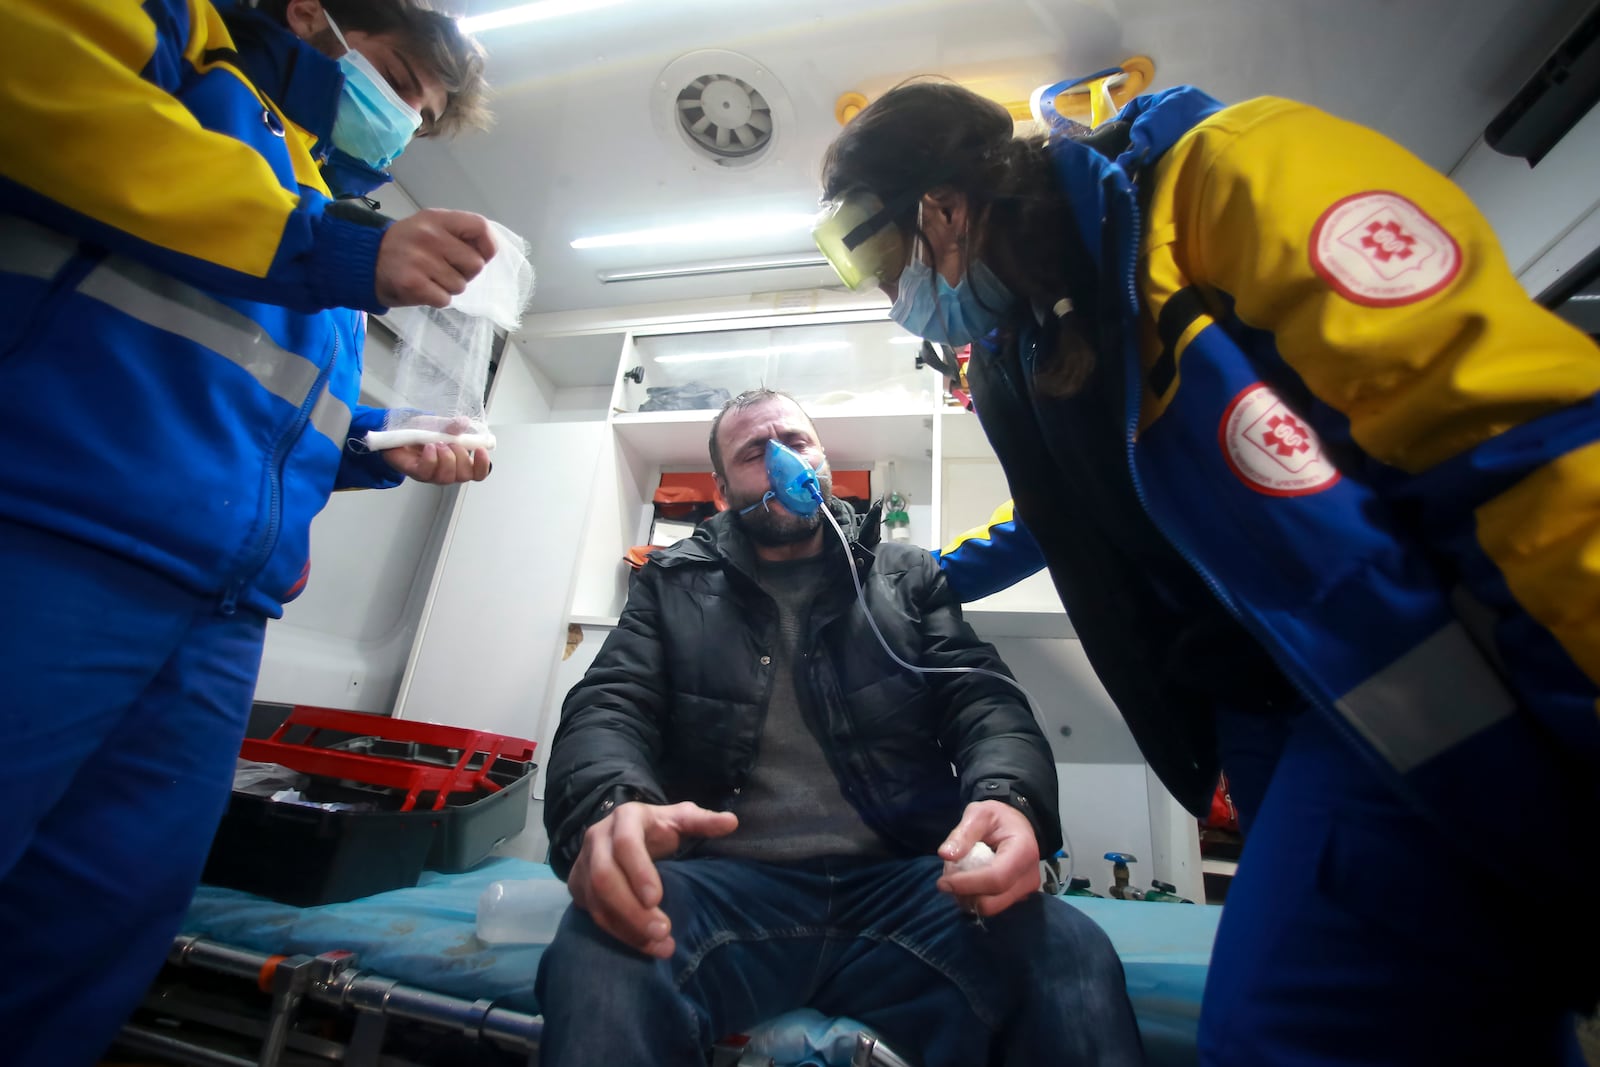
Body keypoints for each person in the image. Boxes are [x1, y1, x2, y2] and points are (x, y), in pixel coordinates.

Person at [814, 77, 1600, 1064]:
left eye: (886, 261)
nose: (895, 298)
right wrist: (918, 577)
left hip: (1392, 674)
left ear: (944, 208)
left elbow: (1509, 436)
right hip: (1267, 705)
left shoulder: (1220, 176)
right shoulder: (1026, 345)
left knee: (1285, 1031)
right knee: (1473, 1017)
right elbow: (1057, 518)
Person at [0, 2, 498, 1062]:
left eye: (423, 113)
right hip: (49, 532)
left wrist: (378, 441)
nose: (404, 121)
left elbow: (264, 407)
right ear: (316, 14)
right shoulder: (189, 57)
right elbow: (39, 100)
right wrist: (323, 246)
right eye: (402, 81)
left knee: (97, 929)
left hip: (220, 613)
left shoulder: (317, 205)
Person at [537, 388, 1142, 1066]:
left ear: (823, 458)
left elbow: (983, 699)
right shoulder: (672, 583)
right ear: (720, 489)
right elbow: (608, 705)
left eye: (796, 442)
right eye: (753, 453)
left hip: (905, 885)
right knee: (603, 946)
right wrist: (609, 807)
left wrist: (1011, 798)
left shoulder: (907, 576)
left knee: (1069, 952)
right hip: (723, 887)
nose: (782, 461)